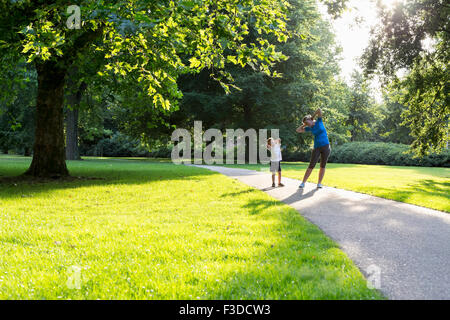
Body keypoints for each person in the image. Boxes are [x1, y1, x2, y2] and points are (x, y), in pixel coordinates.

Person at [296, 108, 331, 189]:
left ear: (311, 119)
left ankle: (319, 183)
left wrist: (313, 116)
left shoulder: (319, 121)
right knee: (311, 165)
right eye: (306, 123)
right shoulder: (309, 128)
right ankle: (303, 183)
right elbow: (298, 130)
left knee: (323, 166)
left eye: (307, 121)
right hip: (317, 148)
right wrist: (304, 124)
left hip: (326, 146)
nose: (307, 124)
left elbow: (319, 110)